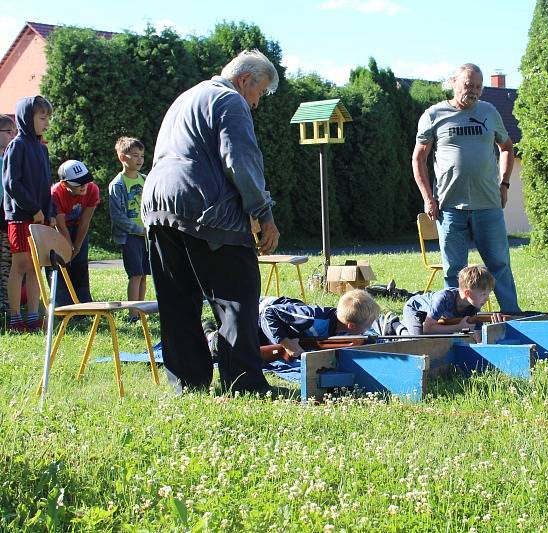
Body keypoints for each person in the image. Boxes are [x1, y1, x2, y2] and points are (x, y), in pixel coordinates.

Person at [141, 49, 281, 395]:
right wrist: (264, 214)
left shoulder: (186, 97)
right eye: (259, 92)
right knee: (237, 296)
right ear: (245, 80)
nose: (257, 103)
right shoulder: (229, 101)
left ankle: (188, 384)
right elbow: (241, 161)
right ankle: (243, 384)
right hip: (203, 208)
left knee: (178, 301)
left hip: (158, 208)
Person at [411, 63, 521, 312]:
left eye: (478, 87)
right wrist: (428, 198)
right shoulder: (433, 114)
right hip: (450, 208)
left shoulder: (489, 112)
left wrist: (504, 183)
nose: (473, 91)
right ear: (454, 83)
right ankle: (455, 320)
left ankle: (512, 315)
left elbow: (506, 148)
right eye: (468, 85)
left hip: (488, 205)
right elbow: (419, 158)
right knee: (453, 271)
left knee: (500, 265)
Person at [2, 96, 54, 333]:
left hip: (40, 217)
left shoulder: (42, 150)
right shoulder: (17, 145)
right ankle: (14, 317)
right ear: (26, 117)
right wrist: (34, 209)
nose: (46, 123)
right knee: (21, 264)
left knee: (36, 266)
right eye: (42, 118)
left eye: (48, 118)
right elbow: (12, 183)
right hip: (21, 216)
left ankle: (33, 316)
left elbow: (46, 184)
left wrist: (49, 212)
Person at [257, 289, 381, 359]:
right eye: (369, 324)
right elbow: (269, 312)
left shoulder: (344, 322)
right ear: (352, 326)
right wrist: (286, 344)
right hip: (255, 313)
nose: (370, 327)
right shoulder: (312, 318)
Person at [109, 137, 149, 322]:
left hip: (146, 236)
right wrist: (137, 229)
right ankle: (132, 314)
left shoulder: (145, 180)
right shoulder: (118, 184)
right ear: (122, 157)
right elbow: (118, 216)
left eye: (141, 155)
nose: (139, 159)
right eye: (134, 155)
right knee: (135, 274)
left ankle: (140, 310)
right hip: (130, 236)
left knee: (144, 275)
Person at [50, 160, 100, 306]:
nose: (84, 185)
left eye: (85, 180)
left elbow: (85, 221)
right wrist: (68, 246)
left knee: (80, 263)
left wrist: (76, 246)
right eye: (78, 183)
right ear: (65, 184)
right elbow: (60, 224)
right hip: (59, 230)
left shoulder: (92, 189)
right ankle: (63, 305)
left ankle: (84, 303)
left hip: (78, 228)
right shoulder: (55, 193)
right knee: (61, 263)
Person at [402, 265, 495, 339]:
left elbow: (478, 338)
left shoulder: (474, 306)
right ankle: (395, 325)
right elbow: (427, 329)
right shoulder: (444, 298)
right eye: (483, 294)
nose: (487, 299)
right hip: (414, 309)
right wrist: (459, 327)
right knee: (418, 341)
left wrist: (495, 325)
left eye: (488, 294)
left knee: (444, 338)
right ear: (467, 293)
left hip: (431, 319)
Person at [0, 115, 17, 322]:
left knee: (7, 263)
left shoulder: (9, 158)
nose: (13, 135)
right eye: (8, 132)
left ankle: (5, 304)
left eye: (14, 131)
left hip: (6, 221)